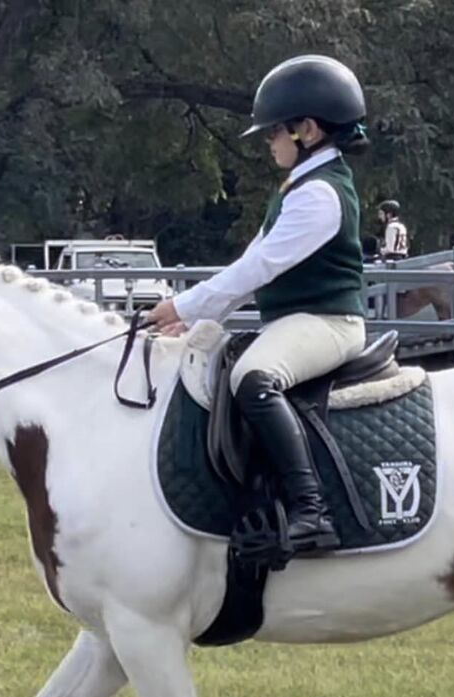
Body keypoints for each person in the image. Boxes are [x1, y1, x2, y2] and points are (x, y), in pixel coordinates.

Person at [147, 54, 371, 553]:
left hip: (329, 322)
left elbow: (259, 269)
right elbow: (251, 263)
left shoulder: (320, 196)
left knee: (254, 379)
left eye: (273, 133)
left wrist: (184, 307)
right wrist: (198, 319)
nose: (269, 142)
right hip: (300, 319)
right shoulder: (298, 188)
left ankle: (311, 513)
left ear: (307, 130)